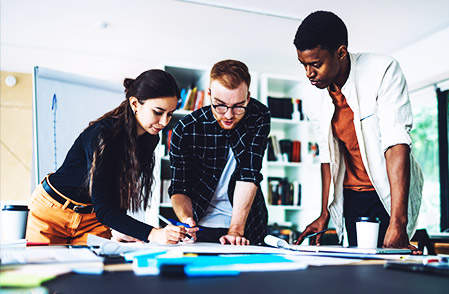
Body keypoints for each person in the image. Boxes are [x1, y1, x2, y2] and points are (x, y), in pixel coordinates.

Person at [293, 11, 423, 252]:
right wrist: (324, 214)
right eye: (304, 65)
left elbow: (396, 142)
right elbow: (327, 156)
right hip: (351, 197)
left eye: (316, 64)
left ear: (341, 53)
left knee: (390, 267)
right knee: (357, 271)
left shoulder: (382, 70)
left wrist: (398, 221)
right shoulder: (312, 94)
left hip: (387, 193)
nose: (309, 73)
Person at [26, 69, 188, 245]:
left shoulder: (150, 138)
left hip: (93, 218)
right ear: (135, 104)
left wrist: (119, 228)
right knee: (46, 269)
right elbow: (105, 208)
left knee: (96, 270)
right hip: (53, 211)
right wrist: (153, 234)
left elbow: (121, 190)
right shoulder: (104, 135)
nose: (164, 122)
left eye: (170, 114)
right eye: (158, 112)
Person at [169, 59, 270, 246]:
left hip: (247, 225)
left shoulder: (259, 116)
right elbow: (179, 188)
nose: (229, 115)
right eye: (220, 105)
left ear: (248, 97)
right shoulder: (185, 129)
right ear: (209, 95)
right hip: (200, 228)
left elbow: (249, 173)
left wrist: (235, 231)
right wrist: (186, 218)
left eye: (239, 105)